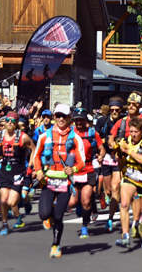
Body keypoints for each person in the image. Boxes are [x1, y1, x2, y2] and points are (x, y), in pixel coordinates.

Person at [33, 104, 86, 258]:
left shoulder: (75, 138)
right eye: (58, 116)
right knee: (44, 214)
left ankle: (56, 244)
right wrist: (37, 171)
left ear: (70, 118)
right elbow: (36, 156)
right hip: (49, 180)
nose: (61, 119)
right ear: (54, 117)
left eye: (64, 116)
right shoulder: (44, 136)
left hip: (65, 183)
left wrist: (74, 169)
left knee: (58, 216)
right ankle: (49, 213)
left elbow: (81, 162)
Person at [115, 117, 142, 248]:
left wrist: (128, 151)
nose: (133, 135)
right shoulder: (125, 141)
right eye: (131, 131)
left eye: (136, 132)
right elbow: (119, 156)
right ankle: (125, 235)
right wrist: (118, 155)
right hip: (130, 176)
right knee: (125, 203)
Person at [0, 112, 35, 234]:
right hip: (4, 172)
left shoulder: (23, 137)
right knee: (3, 200)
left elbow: (33, 149)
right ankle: (5, 225)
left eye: (13, 120)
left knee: (12, 202)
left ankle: (19, 215)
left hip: (18, 173)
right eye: (8, 120)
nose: (10, 122)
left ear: (16, 123)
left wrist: (31, 166)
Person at [71, 108, 105, 239]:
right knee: (72, 203)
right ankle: (78, 202)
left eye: (81, 119)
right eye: (76, 119)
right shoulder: (69, 133)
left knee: (86, 200)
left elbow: (102, 149)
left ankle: (84, 226)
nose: (79, 122)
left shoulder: (92, 133)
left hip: (88, 169)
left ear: (86, 120)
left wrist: (101, 157)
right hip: (73, 170)